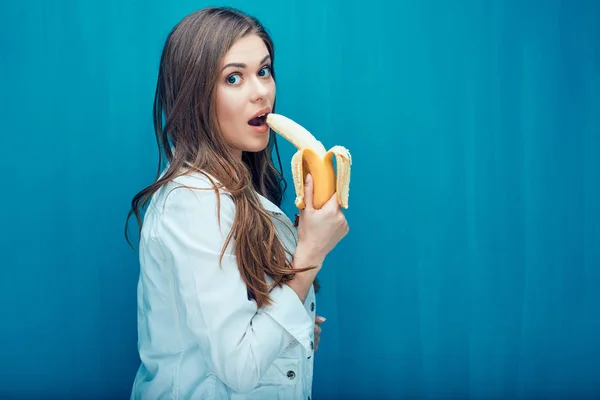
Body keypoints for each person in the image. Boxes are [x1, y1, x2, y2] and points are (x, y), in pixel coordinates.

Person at [124, 6, 349, 400]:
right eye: (234, 78)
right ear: (197, 96)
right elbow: (240, 366)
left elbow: (240, 334)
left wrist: (290, 327)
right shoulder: (192, 202)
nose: (261, 91)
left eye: (263, 71)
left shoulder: (240, 193)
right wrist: (312, 251)